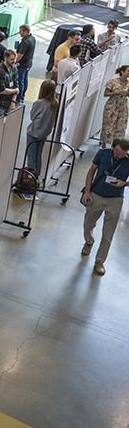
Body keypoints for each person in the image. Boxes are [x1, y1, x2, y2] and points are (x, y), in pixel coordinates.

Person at [81, 138, 129, 276]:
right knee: (88, 225)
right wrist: (87, 191)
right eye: (117, 153)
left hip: (115, 199)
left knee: (108, 234)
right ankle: (89, 242)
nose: (120, 157)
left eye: (123, 154)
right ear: (113, 146)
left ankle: (100, 261)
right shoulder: (102, 153)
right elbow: (91, 172)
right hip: (96, 195)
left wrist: (124, 184)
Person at [25, 80, 59, 176]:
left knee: (31, 156)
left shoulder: (39, 103)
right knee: (38, 155)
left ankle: (30, 177)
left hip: (33, 132)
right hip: (44, 133)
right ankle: (37, 176)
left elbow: (32, 117)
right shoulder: (55, 103)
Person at [101, 66, 129, 148]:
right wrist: (117, 92)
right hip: (112, 106)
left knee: (120, 126)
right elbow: (106, 94)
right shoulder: (112, 82)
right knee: (108, 125)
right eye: (128, 71)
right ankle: (104, 144)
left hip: (123, 106)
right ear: (122, 72)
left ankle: (115, 145)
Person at [0, 49, 19, 121]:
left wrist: (13, 101)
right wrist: (15, 91)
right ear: (5, 58)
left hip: (9, 102)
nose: (14, 61)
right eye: (12, 59)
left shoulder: (14, 69)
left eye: (15, 59)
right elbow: (2, 90)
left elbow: (16, 85)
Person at [15, 24, 36, 102]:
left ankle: (19, 97)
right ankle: (23, 95)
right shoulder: (32, 38)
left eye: (21, 31)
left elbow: (20, 55)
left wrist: (14, 62)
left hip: (23, 64)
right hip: (29, 63)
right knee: (25, 79)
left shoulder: (25, 42)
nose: (19, 33)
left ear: (26, 31)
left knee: (20, 81)